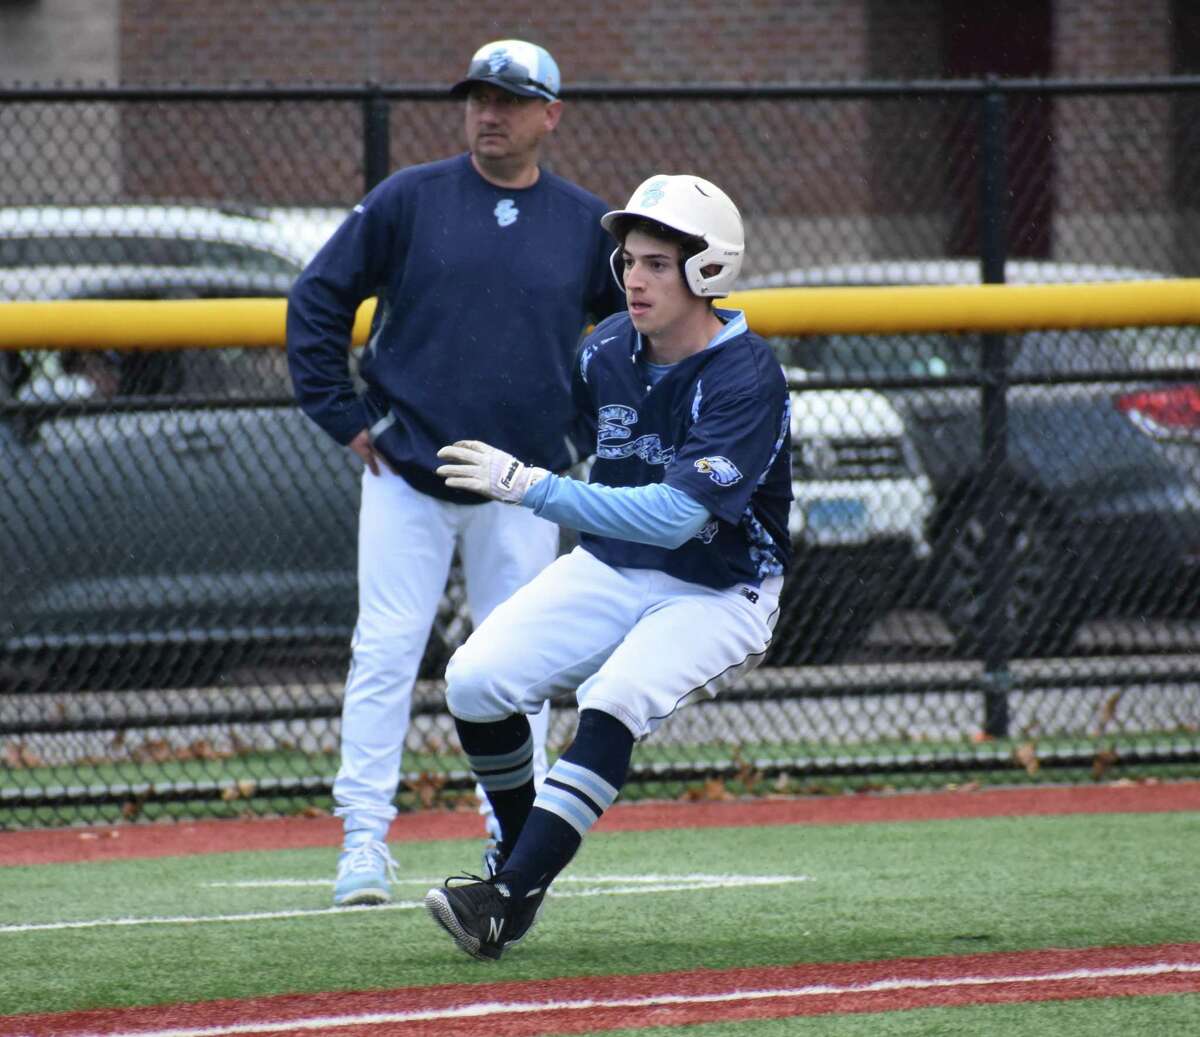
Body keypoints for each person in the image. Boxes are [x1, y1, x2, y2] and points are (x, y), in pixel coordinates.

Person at [285, 39, 624, 907]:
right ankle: (363, 838)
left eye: (511, 100)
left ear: (551, 114)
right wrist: (347, 418)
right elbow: (318, 297)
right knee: (387, 650)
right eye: (479, 97)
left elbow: (631, 335)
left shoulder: (586, 222)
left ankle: (512, 834)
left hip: (522, 482)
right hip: (410, 469)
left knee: (517, 664)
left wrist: (577, 433)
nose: (490, 113)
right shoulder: (411, 198)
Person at [423, 173, 793, 960]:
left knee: (614, 696)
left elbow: (675, 516)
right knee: (474, 680)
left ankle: (509, 892)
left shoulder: (745, 371)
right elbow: (596, 459)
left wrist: (529, 488)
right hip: (616, 565)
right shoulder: (605, 350)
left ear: (708, 270)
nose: (634, 277)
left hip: (720, 585)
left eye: (659, 263)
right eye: (629, 260)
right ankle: (523, 864)